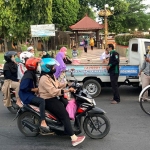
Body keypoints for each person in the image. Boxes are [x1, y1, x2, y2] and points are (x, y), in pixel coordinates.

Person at [38, 58, 85, 146]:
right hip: (48, 100)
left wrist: (68, 84)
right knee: (64, 115)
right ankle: (74, 139)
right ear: (47, 68)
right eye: (53, 67)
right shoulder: (44, 79)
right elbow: (53, 91)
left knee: (66, 105)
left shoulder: (50, 76)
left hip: (54, 97)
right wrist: (67, 90)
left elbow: (57, 84)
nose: (54, 68)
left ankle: (66, 129)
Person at [19, 57, 50, 132]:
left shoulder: (32, 74)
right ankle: (43, 121)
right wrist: (33, 89)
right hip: (26, 95)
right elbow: (23, 87)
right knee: (41, 101)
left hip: (30, 94)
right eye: (37, 64)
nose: (39, 66)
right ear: (33, 66)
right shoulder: (28, 76)